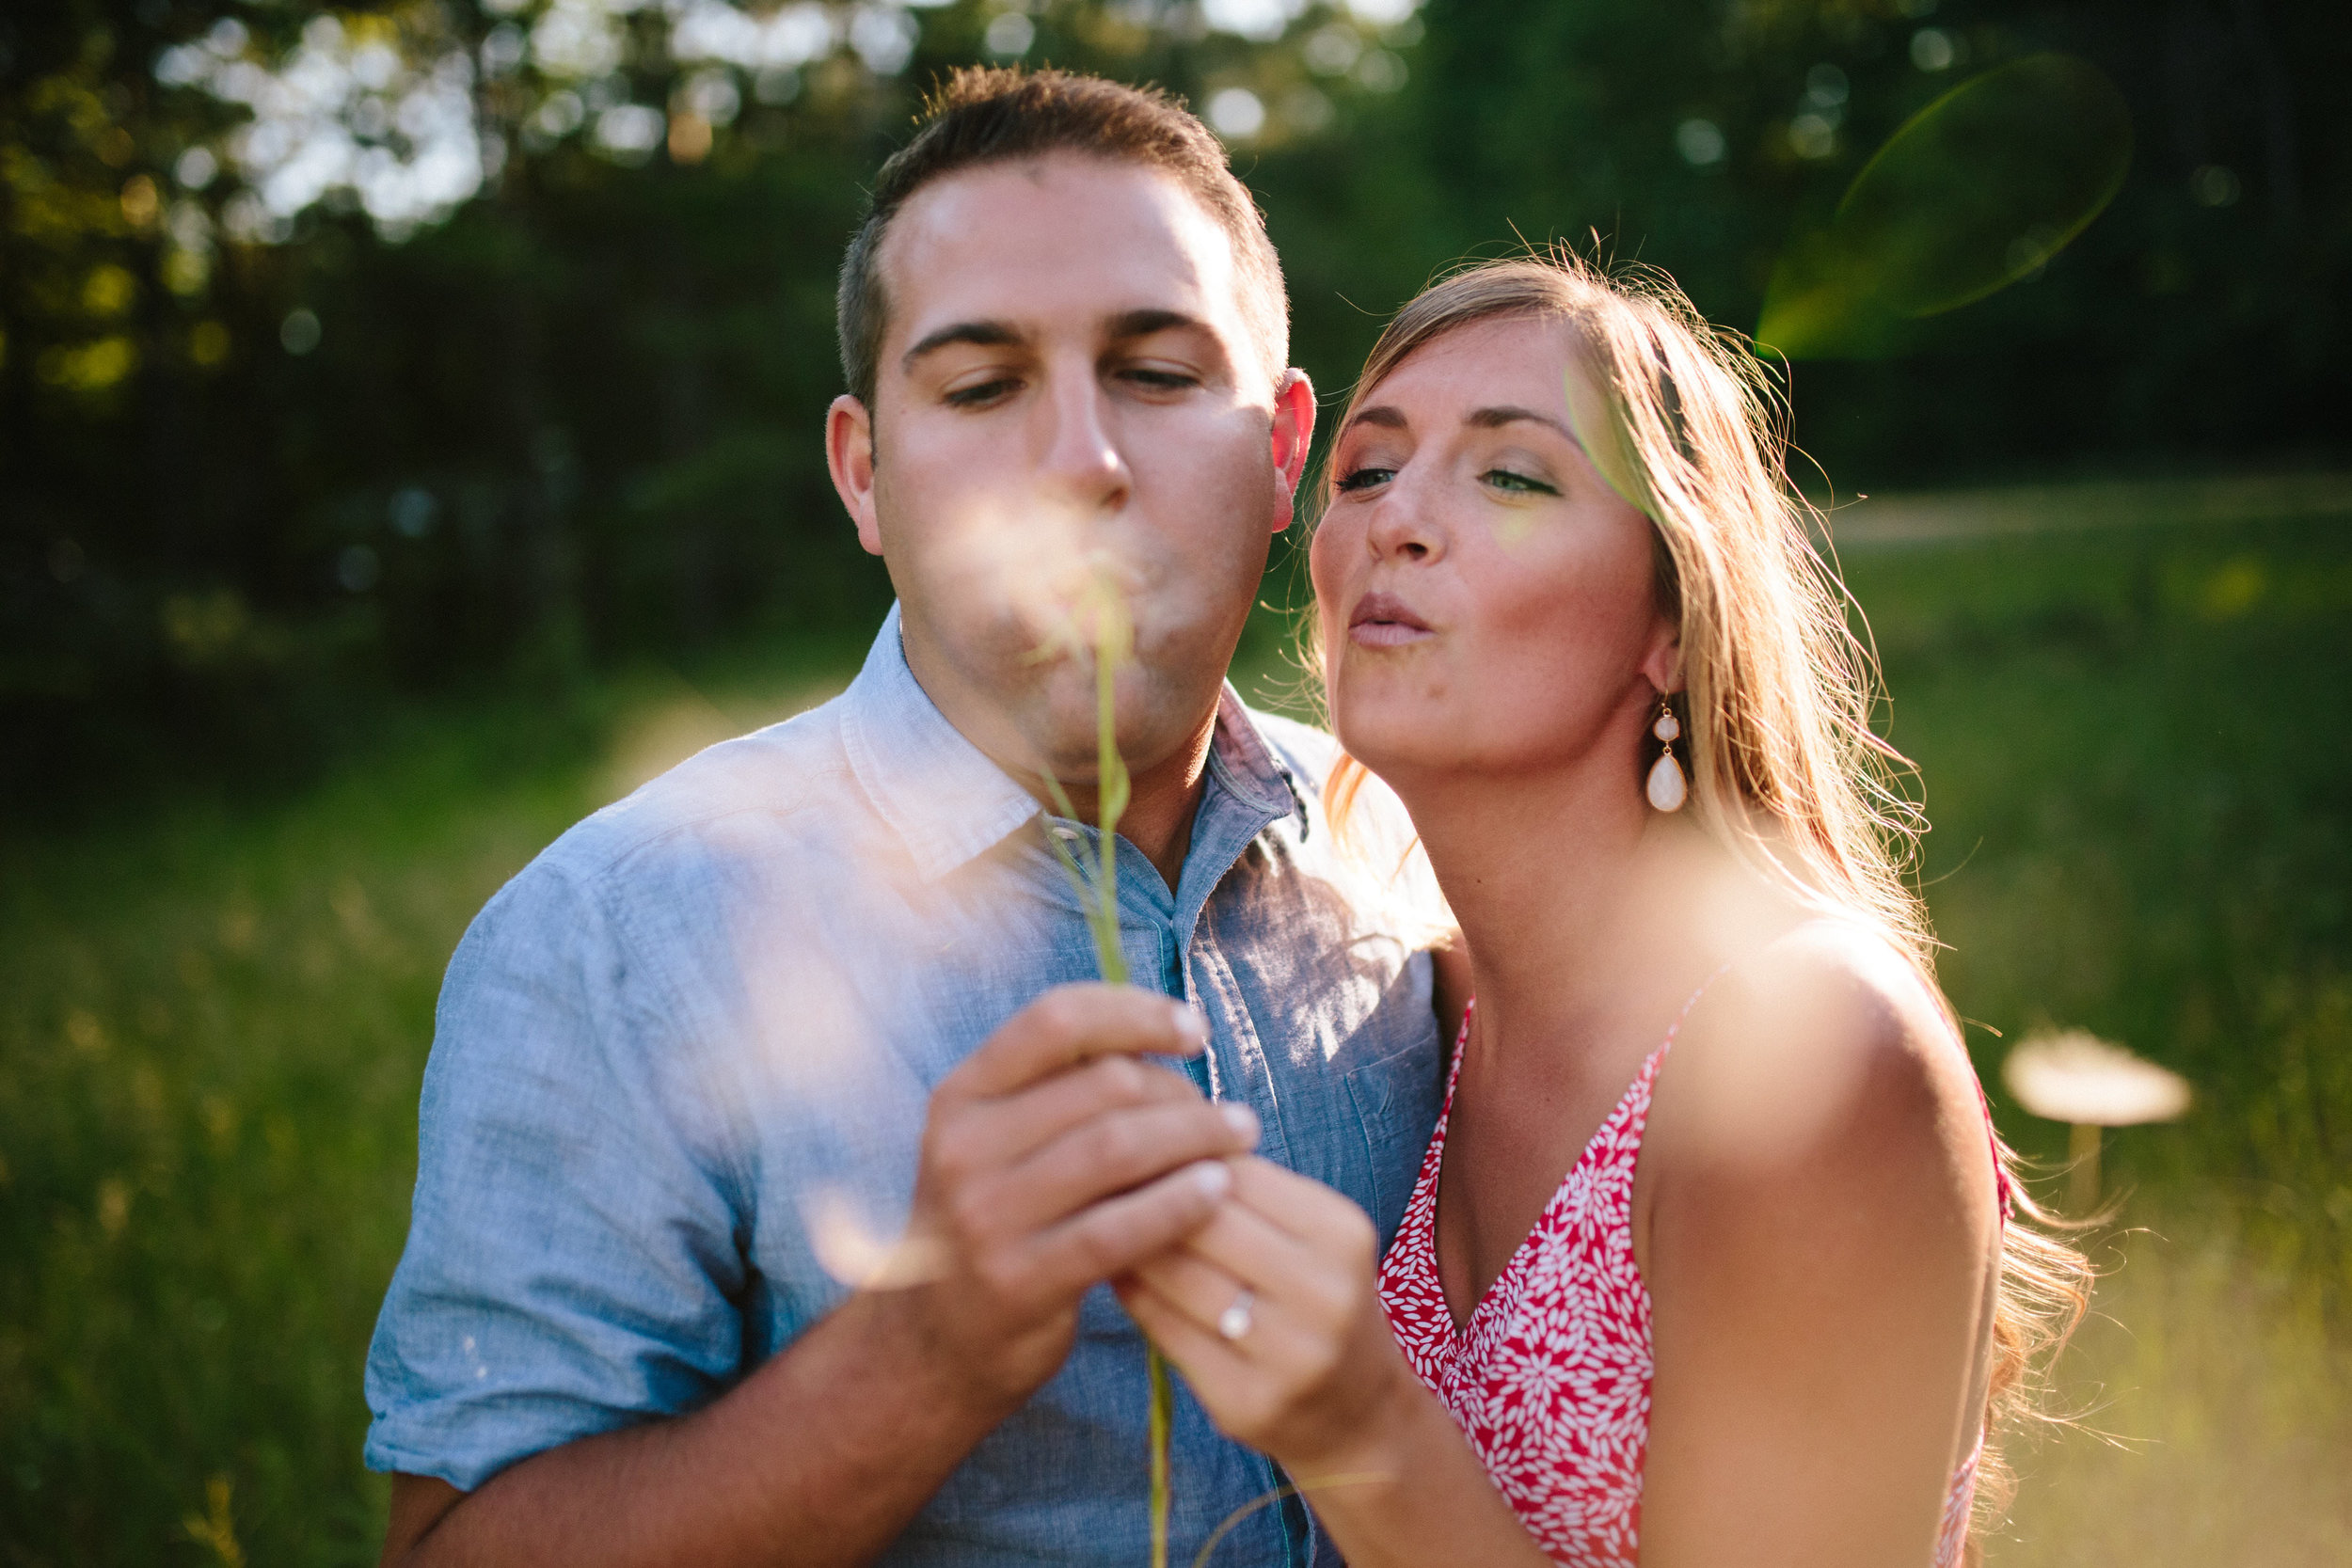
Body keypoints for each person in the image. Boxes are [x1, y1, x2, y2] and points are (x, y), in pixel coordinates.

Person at [364, 69, 1453, 1568]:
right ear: (866, 475)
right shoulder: (613, 938)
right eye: (982, 386)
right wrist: (925, 1354)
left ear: (1279, 453)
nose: (1083, 462)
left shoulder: (1408, 842)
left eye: (1155, 371)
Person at [1116, 253, 2092, 1567]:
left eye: (1512, 475)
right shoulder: (1421, 1011)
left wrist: (1364, 1430)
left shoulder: (1805, 1051)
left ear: (1672, 627)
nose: (1398, 517)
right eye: (1365, 471)